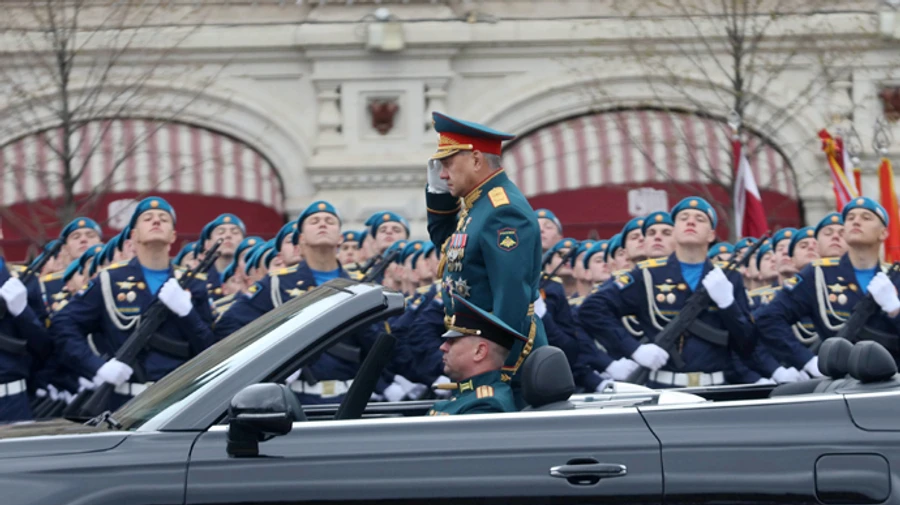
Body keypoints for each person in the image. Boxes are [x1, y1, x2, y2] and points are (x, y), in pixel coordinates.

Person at [424, 111, 547, 407]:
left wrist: (495, 370)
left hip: (499, 362)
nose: (443, 173)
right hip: (477, 355)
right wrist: (438, 194)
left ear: (477, 160)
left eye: (448, 164)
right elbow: (447, 244)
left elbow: (511, 296)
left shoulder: (502, 210)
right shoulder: (477, 204)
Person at [50, 197, 215, 410]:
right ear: (133, 235)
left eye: (163, 219)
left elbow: (211, 348)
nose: (156, 222)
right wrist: (97, 367)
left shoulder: (194, 284)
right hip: (123, 402)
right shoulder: (110, 280)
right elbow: (63, 324)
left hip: (178, 403)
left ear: (173, 235)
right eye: (147, 218)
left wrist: (188, 313)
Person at [580, 197, 756, 388]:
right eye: (683, 218)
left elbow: (748, 345)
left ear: (711, 235)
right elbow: (592, 309)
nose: (691, 221)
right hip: (666, 390)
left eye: (700, 219)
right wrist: (635, 349)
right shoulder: (648, 274)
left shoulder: (728, 277)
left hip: (718, 389)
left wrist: (728, 305)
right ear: (675, 230)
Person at [757, 197, 900, 369]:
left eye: (866, 218)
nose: (856, 221)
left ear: (883, 232)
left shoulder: (893, 277)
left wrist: (895, 309)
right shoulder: (818, 274)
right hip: (843, 382)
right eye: (850, 218)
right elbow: (768, 318)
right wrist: (807, 362)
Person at [427, 294, 520, 416]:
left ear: (479, 352)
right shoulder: (468, 396)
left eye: (452, 341)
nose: (443, 347)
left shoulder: (486, 404)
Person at [199, 214, 246, 302]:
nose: (228, 235)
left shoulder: (250, 275)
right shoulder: (199, 277)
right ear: (208, 244)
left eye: (235, 232)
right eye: (221, 232)